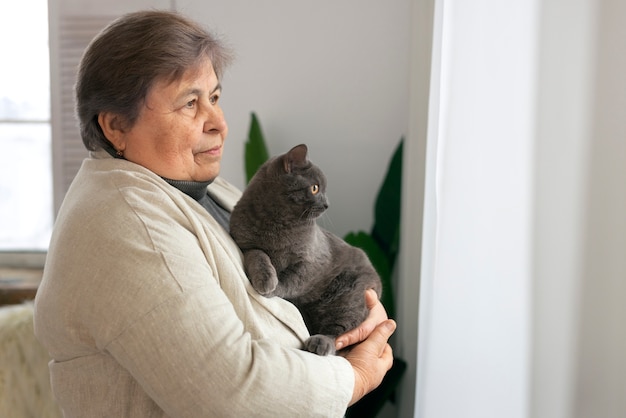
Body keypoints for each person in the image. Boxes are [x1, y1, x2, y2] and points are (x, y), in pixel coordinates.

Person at [33, 9, 396, 418]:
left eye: (216, 97)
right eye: (190, 103)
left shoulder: (199, 189)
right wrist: (355, 377)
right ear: (116, 126)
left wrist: (358, 312)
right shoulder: (129, 227)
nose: (219, 123)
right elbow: (232, 392)